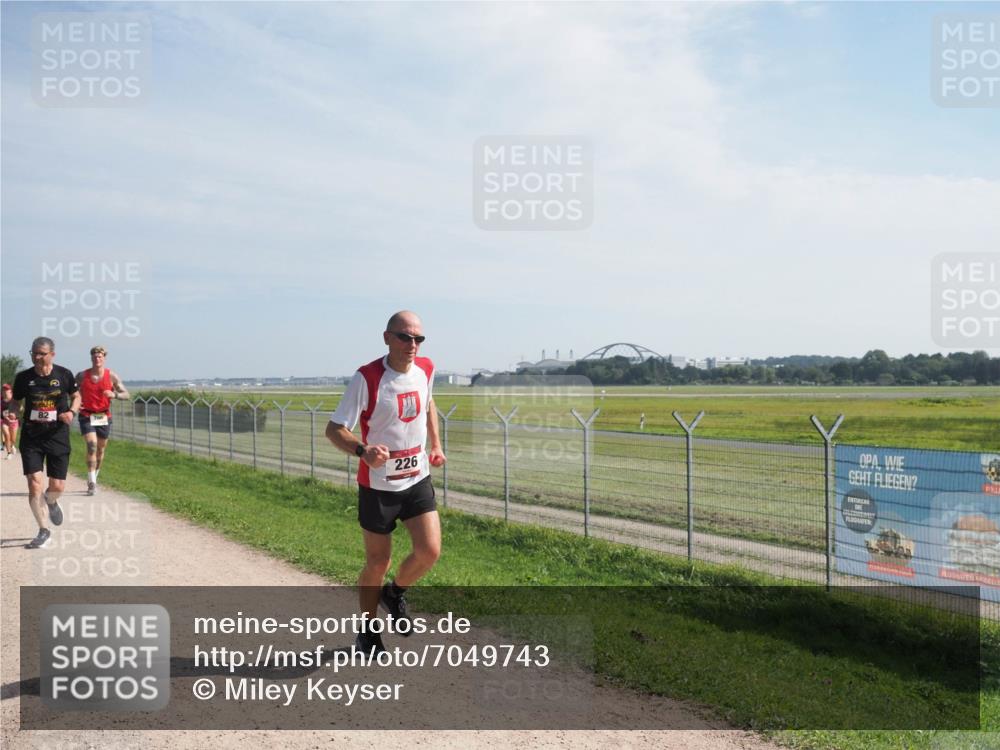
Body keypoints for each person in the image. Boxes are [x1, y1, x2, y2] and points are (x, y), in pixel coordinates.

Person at [326, 311, 446, 656]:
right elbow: (334, 430)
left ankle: (393, 594)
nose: (412, 345)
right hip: (378, 485)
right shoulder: (367, 377)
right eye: (405, 337)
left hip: (416, 476)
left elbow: (428, 404)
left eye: (418, 338)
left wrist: (435, 445)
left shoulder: (426, 369)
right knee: (377, 562)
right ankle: (367, 630)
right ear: (387, 338)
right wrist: (363, 450)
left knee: (430, 551)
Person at [10, 337, 80, 549]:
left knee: (57, 486)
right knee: (34, 482)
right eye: (33, 353)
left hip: (57, 435)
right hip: (32, 435)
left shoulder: (64, 374)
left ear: (52, 354)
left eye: (41, 353)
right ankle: (43, 530)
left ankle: (51, 500)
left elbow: (76, 396)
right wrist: (13, 412)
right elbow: (16, 400)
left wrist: (71, 412)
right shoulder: (23, 378)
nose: (36, 357)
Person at [76, 345, 130, 495]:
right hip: (86, 415)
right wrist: (75, 401)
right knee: (92, 445)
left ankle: (94, 476)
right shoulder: (82, 376)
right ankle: (91, 483)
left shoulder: (111, 376)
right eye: (94, 356)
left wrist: (115, 395)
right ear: (91, 358)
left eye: (100, 356)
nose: (97, 359)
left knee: (100, 450)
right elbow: (72, 391)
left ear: (104, 358)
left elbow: (126, 394)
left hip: (103, 416)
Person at [2, 383, 19, 459]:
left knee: (13, 439)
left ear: (10, 391)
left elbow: (18, 410)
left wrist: (14, 415)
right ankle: (9, 453)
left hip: (14, 422)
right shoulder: (1, 401)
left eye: (6, 389)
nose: (4, 391)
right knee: (6, 435)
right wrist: (4, 416)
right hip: (4, 421)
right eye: (3, 389)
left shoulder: (15, 400)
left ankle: (12, 446)